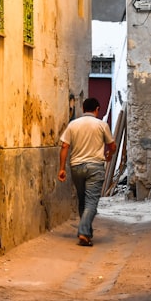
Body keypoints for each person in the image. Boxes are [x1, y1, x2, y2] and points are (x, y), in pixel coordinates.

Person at [58, 97, 116, 246]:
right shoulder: (102, 125)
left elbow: (64, 146)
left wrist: (62, 168)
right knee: (91, 202)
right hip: (95, 167)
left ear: (83, 109)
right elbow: (112, 146)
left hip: (76, 167)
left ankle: (87, 234)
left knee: (83, 200)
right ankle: (83, 232)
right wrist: (109, 155)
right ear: (97, 109)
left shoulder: (73, 125)